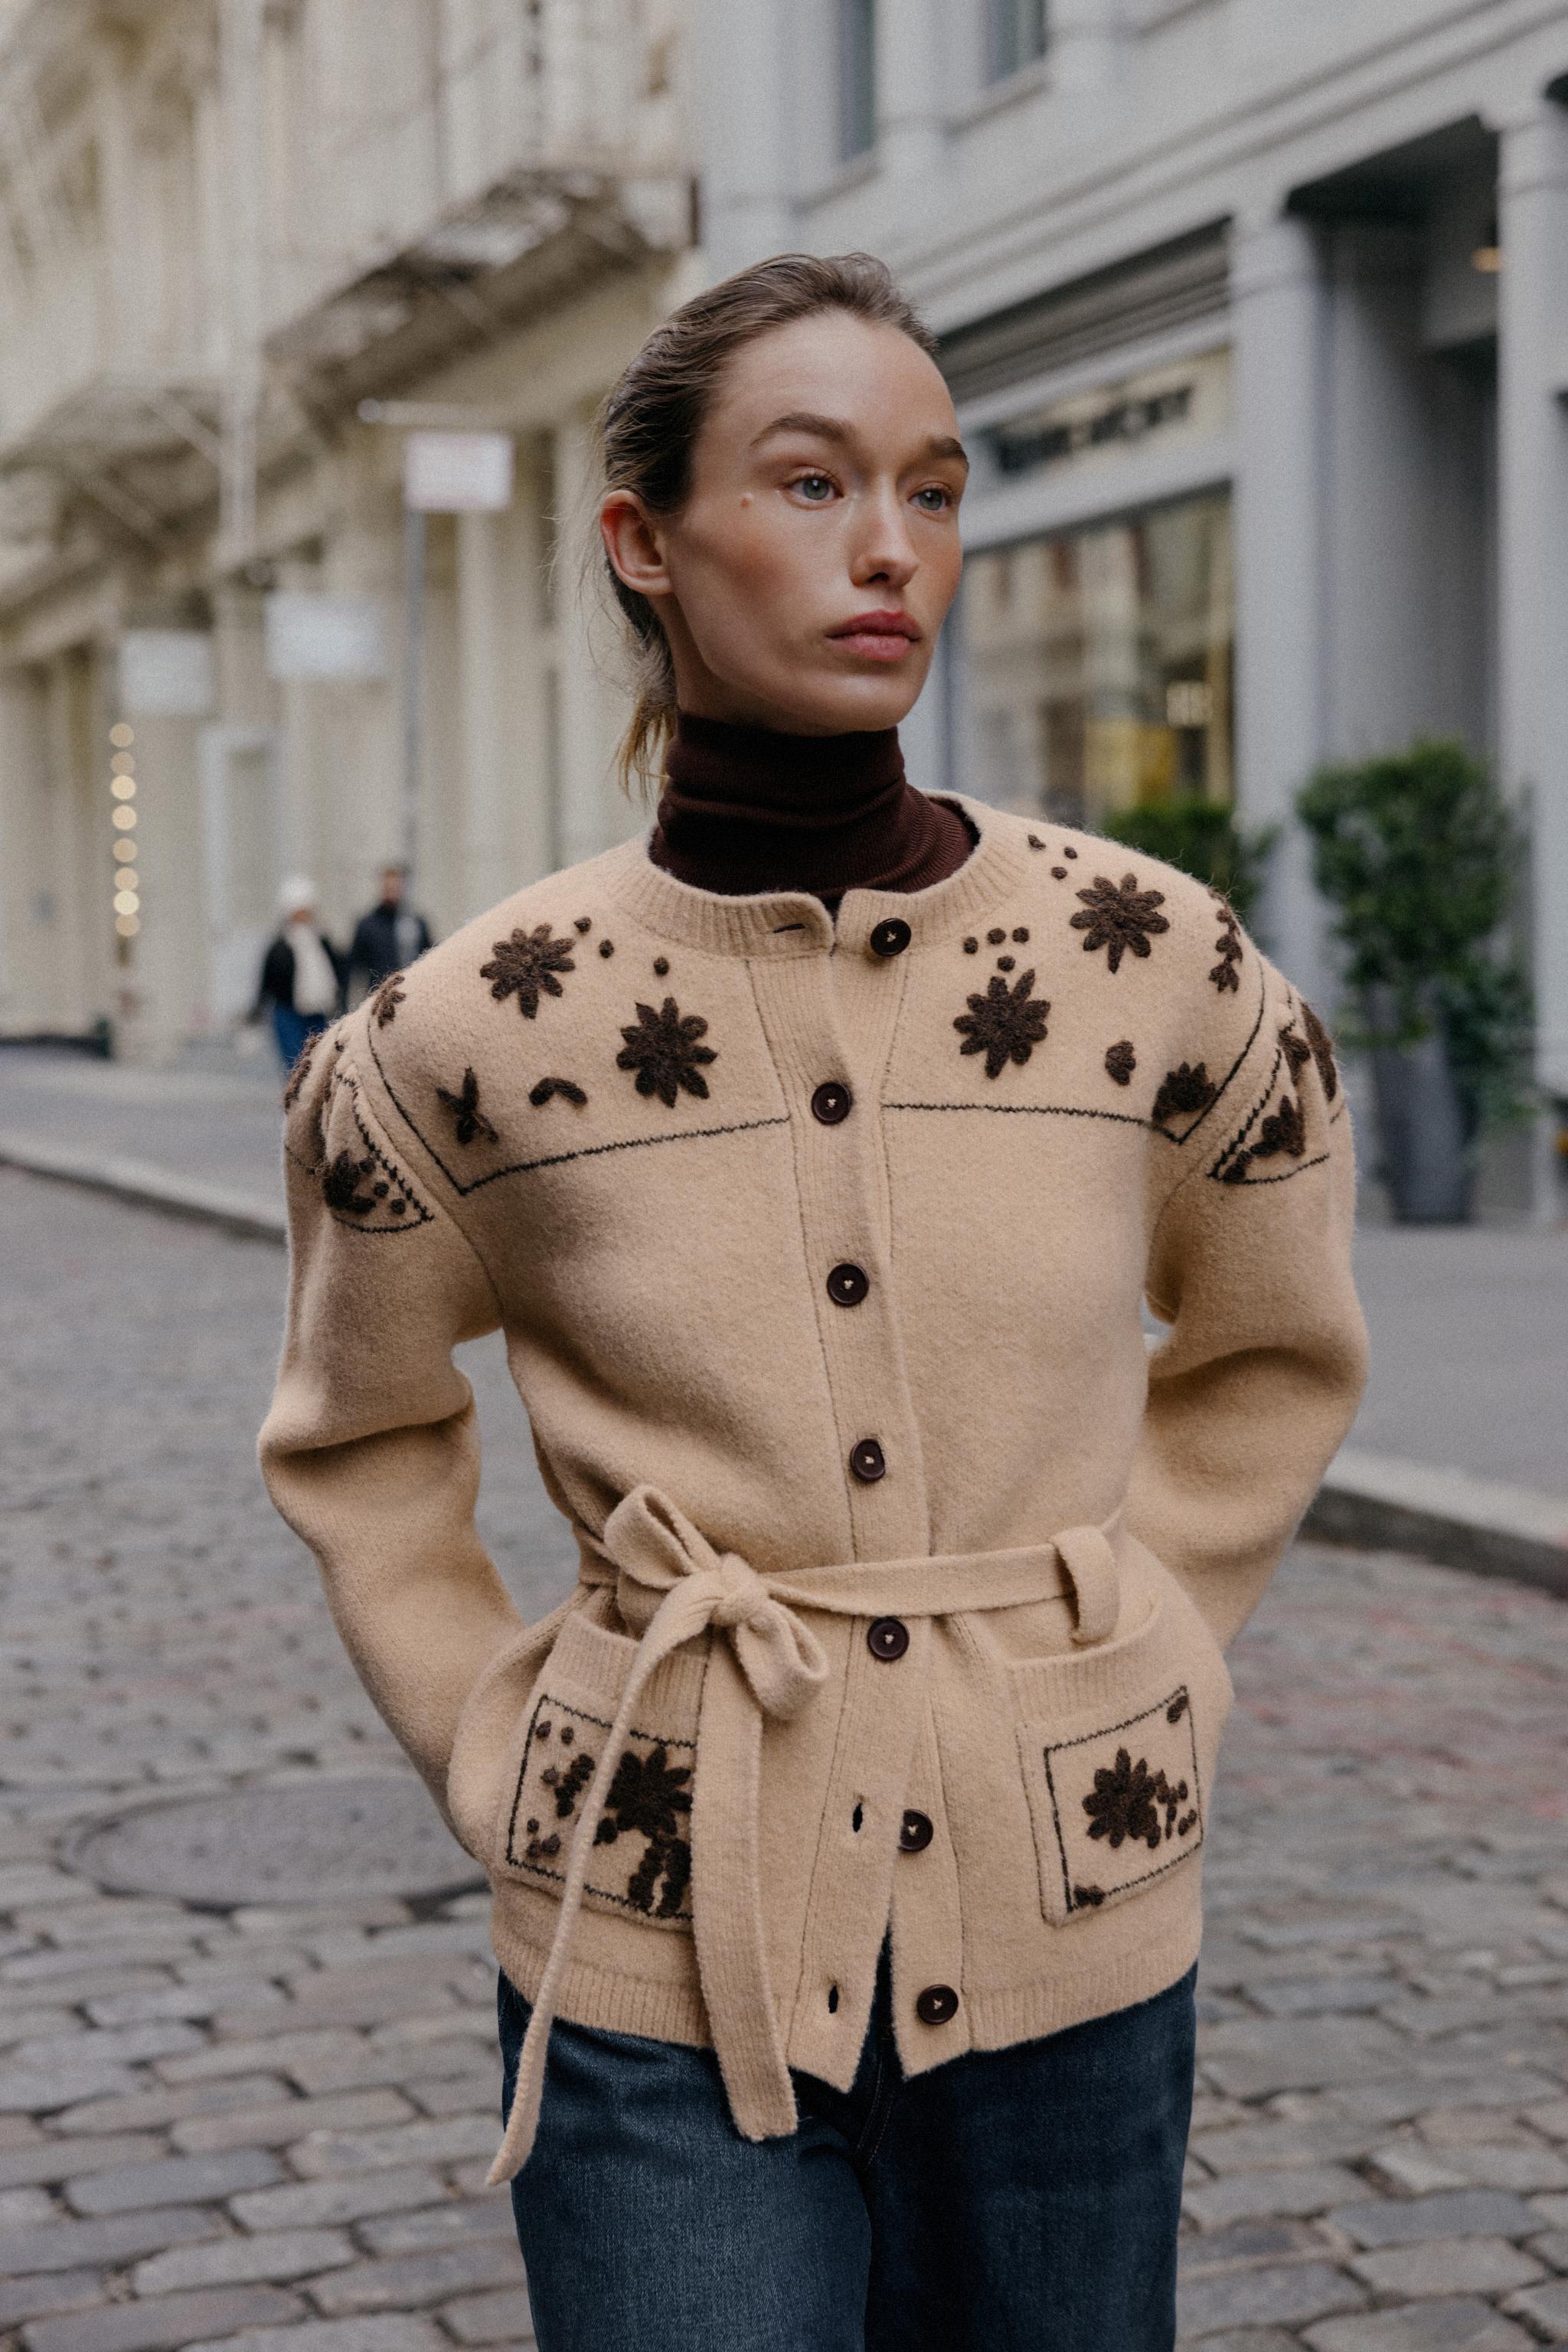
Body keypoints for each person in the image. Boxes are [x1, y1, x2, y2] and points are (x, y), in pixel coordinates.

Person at [260, 255, 1367, 2352]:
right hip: (653, 1945)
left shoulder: (1152, 965)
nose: (889, 547)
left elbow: (1275, 1348)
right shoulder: (467, 1031)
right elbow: (362, 1436)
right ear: (643, 540)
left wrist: (1148, 1645)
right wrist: (500, 1737)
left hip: (1071, 1910)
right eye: (810, 482)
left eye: (931, 489)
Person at [250, 877, 341, 1073]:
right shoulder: (280, 946)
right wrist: (256, 1014)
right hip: (288, 1013)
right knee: (296, 1066)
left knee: (317, 1064)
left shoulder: (321, 942)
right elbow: (267, 981)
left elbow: (337, 973)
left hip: (316, 1011)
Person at [346, 861, 433, 996]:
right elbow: (355, 965)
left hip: (412, 991)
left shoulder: (416, 922)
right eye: (389, 888)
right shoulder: (368, 924)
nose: (393, 892)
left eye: (396, 887)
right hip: (379, 994)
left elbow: (428, 955)